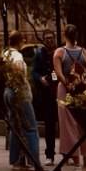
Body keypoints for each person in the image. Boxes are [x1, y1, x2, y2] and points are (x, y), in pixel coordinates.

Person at [53, 24, 86, 170]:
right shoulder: (85, 53)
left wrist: (68, 84)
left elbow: (58, 74)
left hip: (65, 90)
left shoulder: (59, 53)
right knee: (83, 124)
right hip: (82, 90)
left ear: (64, 35)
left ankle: (75, 161)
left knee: (68, 125)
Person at [5, 32, 41, 171]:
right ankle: (34, 161)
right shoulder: (17, 56)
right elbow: (18, 69)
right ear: (19, 42)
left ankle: (16, 160)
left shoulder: (5, 54)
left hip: (8, 91)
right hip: (19, 93)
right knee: (30, 127)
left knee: (16, 127)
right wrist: (21, 86)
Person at [30, 31, 58, 162]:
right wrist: (40, 79)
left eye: (51, 38)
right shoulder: (39, 54)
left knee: (64, 125)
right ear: (43, 40)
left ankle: (68, 154)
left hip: (59, 91)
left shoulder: (59, 52)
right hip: (47, 94)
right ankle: (49, 155)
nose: (49, 41)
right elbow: (34, 71)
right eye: (47, 39)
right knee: (49, 125)